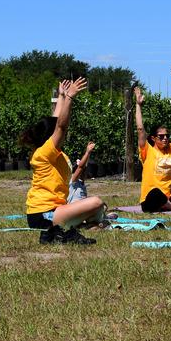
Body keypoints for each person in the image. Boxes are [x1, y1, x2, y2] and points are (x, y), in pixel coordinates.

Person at [21, 78, 105, 244]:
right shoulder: (46, 152)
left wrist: (61, 96)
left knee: (98, 207)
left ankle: (74, 229)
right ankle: (65, 230)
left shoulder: (45, 150)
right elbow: (60, 126)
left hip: (51, 211)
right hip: (44, 214)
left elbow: (55, 123)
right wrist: (70, 98)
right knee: (96, 203)